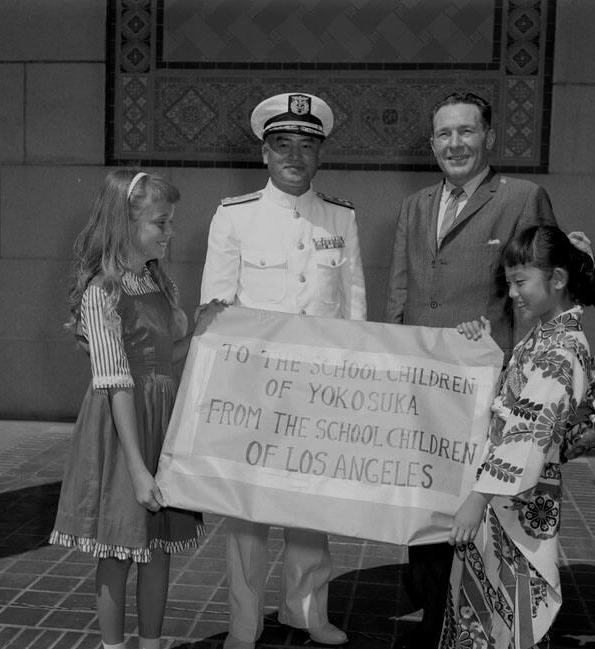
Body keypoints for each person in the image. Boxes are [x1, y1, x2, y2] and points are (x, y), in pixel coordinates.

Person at [384, 91, 557, 648]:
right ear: (431, 143)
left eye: (466, 131)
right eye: (443, 134)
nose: (454, 143)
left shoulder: (523, 198)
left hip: (486, 391)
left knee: (472, 512)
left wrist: (518, 375)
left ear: (488, 137)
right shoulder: (414, 205)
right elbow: (401, 289)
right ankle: (437, 610)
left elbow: (537, 298)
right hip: (422, 385)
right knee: (427, 503)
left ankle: (470, 619)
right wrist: (394, 363)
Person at [199, 92, 365, 649]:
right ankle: (244, 623)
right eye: (283, 144)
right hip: (254, 392)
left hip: (318, 394)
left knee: (310, 505)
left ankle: (305, 610)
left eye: (307, 145)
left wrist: (351, 382)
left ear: (320, 155)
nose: (295, 154)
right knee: (247, 513)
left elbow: (353, 308)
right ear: (264, 154)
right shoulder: (234, 216)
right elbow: (215, 313)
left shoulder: (341, 217)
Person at [50, 169, 204, 649]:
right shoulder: (103, 292)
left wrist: (203, 328)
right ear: (125, 223)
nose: (169, 232)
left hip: (160, 421)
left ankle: (152, 643)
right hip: (124, 432)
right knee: (118, 551)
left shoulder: (156, 284)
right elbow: (116, 383)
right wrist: (138, 469)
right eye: (161, 222)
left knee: (157, 550)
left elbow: (166, 361)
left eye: (170, 222)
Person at [441, 224, 595, 649]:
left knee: (507, 617)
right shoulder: (549, 334)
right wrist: (481, 349)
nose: (513, 293)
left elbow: (528, 433)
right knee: (495, 612)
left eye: (521, 282)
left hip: (516, 498)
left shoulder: (560, 348)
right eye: (510, 282)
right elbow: (518, 399)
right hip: (510, 495)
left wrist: (478, 499)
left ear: (557, 279)